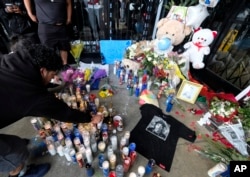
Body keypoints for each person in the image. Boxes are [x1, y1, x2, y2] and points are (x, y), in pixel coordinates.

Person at [0, 41, 103, 177]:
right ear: (42, 70)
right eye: (52, 75)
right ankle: (20, 172)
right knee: (17, 151)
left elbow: (37, 83)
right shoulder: (31, 95)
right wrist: (89, 118)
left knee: (16, 143)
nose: (52, 79)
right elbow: (63, 112)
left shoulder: (17, 59)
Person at [24, 0, 72, 69]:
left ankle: (65, 65)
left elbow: (68, 3)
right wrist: (30, 13)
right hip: (45, 26)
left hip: (61, 24)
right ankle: (51, 69)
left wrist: (69, 18)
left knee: (64, 46)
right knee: (47, 49)